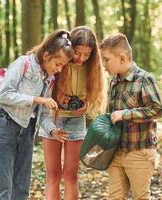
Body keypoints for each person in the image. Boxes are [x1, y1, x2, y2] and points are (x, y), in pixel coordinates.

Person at [0, 29, 73, 200]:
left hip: (28, 132)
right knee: (3, 187)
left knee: (21, 188)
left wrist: (52, 131)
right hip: (7, 126)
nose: (59, 69)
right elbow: (4, 96)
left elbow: (42, 115)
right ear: (46, 55)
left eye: (63, 66)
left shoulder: (49, 79)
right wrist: (36, 99)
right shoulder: (23, 63)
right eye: (57, 64)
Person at [38, 26, 105, 199]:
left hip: (76, 121)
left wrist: (86, 107)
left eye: (87, 54)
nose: (81, 58)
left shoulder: (93, 70)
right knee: (52, 175)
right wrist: (58, 101)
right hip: (53, 119)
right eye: (76, 52)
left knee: (71, 175)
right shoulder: (59, 62)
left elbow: (96, 102)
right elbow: (42, 92)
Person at [99, 33, 162, 200]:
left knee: (140, 196)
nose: (103, 64)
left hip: (139, 151)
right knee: (114, 197)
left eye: (106, 59)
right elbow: (111, 113)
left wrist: (125, 114)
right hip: (116, 151)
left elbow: (157, 109)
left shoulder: (144, 79)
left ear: (121, 58)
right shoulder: (114, 82)